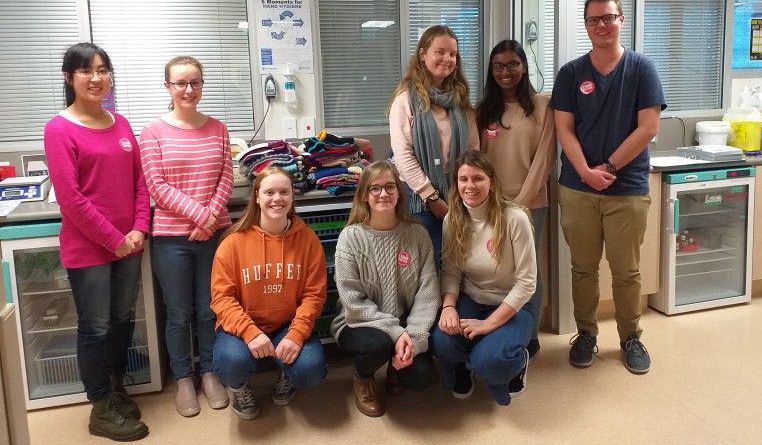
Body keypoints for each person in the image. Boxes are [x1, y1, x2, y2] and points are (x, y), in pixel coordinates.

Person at [550, 0, 666, 374]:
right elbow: (563, 128)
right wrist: (584, 171)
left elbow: (648, 127)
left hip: (627, 189)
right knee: (583, 268)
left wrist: (610, 169)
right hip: (578, 188)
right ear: (586, 26)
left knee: (626, 270)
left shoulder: (641, 69)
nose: (602, 25)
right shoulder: (571, 73)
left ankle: (631, 337)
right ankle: (586, 334)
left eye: (608, 17)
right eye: (594, 19)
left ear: (621, 20)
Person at [43, 42, 150, 442]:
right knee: (95, 325)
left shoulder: (120, 124)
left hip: (129, 243)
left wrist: (139, 228)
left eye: (103, 69)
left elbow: (140, 183)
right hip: (90, 248)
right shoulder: (59, 129)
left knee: (122, 318)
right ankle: (100, 406)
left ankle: (116, 388)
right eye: (86, 71)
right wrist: (114, 239)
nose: (96, 78)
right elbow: (70, 198)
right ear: (69, 78)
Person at [140, 56, 233, 417]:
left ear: (202, 85)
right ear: (168, 87)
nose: (188, 90)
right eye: (180, 83)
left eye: (195, 82)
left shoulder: (219, 129)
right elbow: (156, 186)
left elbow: (226, 176)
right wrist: (202, 216)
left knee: (210, 309)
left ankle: (209, 372)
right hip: (172, 238)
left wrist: (209, 221)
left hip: (213, 236)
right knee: (178, 313)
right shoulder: (153, 132)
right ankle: (183, 378)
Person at [211, 166, 327, 420]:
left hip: (286, 324)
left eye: (284, 192)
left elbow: (314, 296)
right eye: (269, 192)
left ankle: (287, 374)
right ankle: (239, 388)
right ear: (257, 197)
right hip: (242, 327)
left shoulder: (307, 240)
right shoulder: (233, 242)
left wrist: (296, 335)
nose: (277, 199)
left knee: (310, 368)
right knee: (231, 363)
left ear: (292, 197)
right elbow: (222, 298)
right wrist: (250, 332)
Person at [331, 161, 439, 418]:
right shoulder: (351, 237)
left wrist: (412, 338)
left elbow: (427, 294)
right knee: (376, 346)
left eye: (390, 187)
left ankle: (396, 367)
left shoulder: (417, 234)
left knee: (422, 378)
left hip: (405, 325)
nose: (383, 194)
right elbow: (353, 302)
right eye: (375, 188)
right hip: (357, 323)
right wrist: (394, 332)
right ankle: (363, 377)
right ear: (365, 196)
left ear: (400, 193)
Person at [431, 150, 537, 406]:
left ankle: (512, 360)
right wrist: (448, 307)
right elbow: (451, 272)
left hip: (512, 303)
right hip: (471, 299)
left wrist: (489, 324)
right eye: (463, 179)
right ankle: (465, 365)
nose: (470, 186)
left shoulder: (515, 218)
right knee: (443, 343)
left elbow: (526, 283)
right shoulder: (452, 220)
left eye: (477, 178)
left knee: (491, 361)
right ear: (456, 183)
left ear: (491, 181)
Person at [475, 39, 556, 362]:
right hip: (488, 206)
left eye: (512, 64)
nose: (505, 72)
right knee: (493, 269)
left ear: (524, 66)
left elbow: (545, 158)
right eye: (498, 66)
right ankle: (499, 330)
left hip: (531, 204)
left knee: (528, 272)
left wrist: (519, 203)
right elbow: (476, 160)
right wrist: (489, 203)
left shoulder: (542, 106)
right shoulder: (483, 111)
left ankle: (530, 334)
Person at [388, 25, 480, 269]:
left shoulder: (460, 101)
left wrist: (466, 191)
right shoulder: (405, 101)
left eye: (452, 54)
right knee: (426, 268)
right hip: (419, 200)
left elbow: (473, 151)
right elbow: (403, 156)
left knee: (458, 264)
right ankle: (429, 309)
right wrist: (432, 197)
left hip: (458, 195)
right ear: (422, 54)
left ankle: (451, 308)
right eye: (440, 52)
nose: (447, 59)